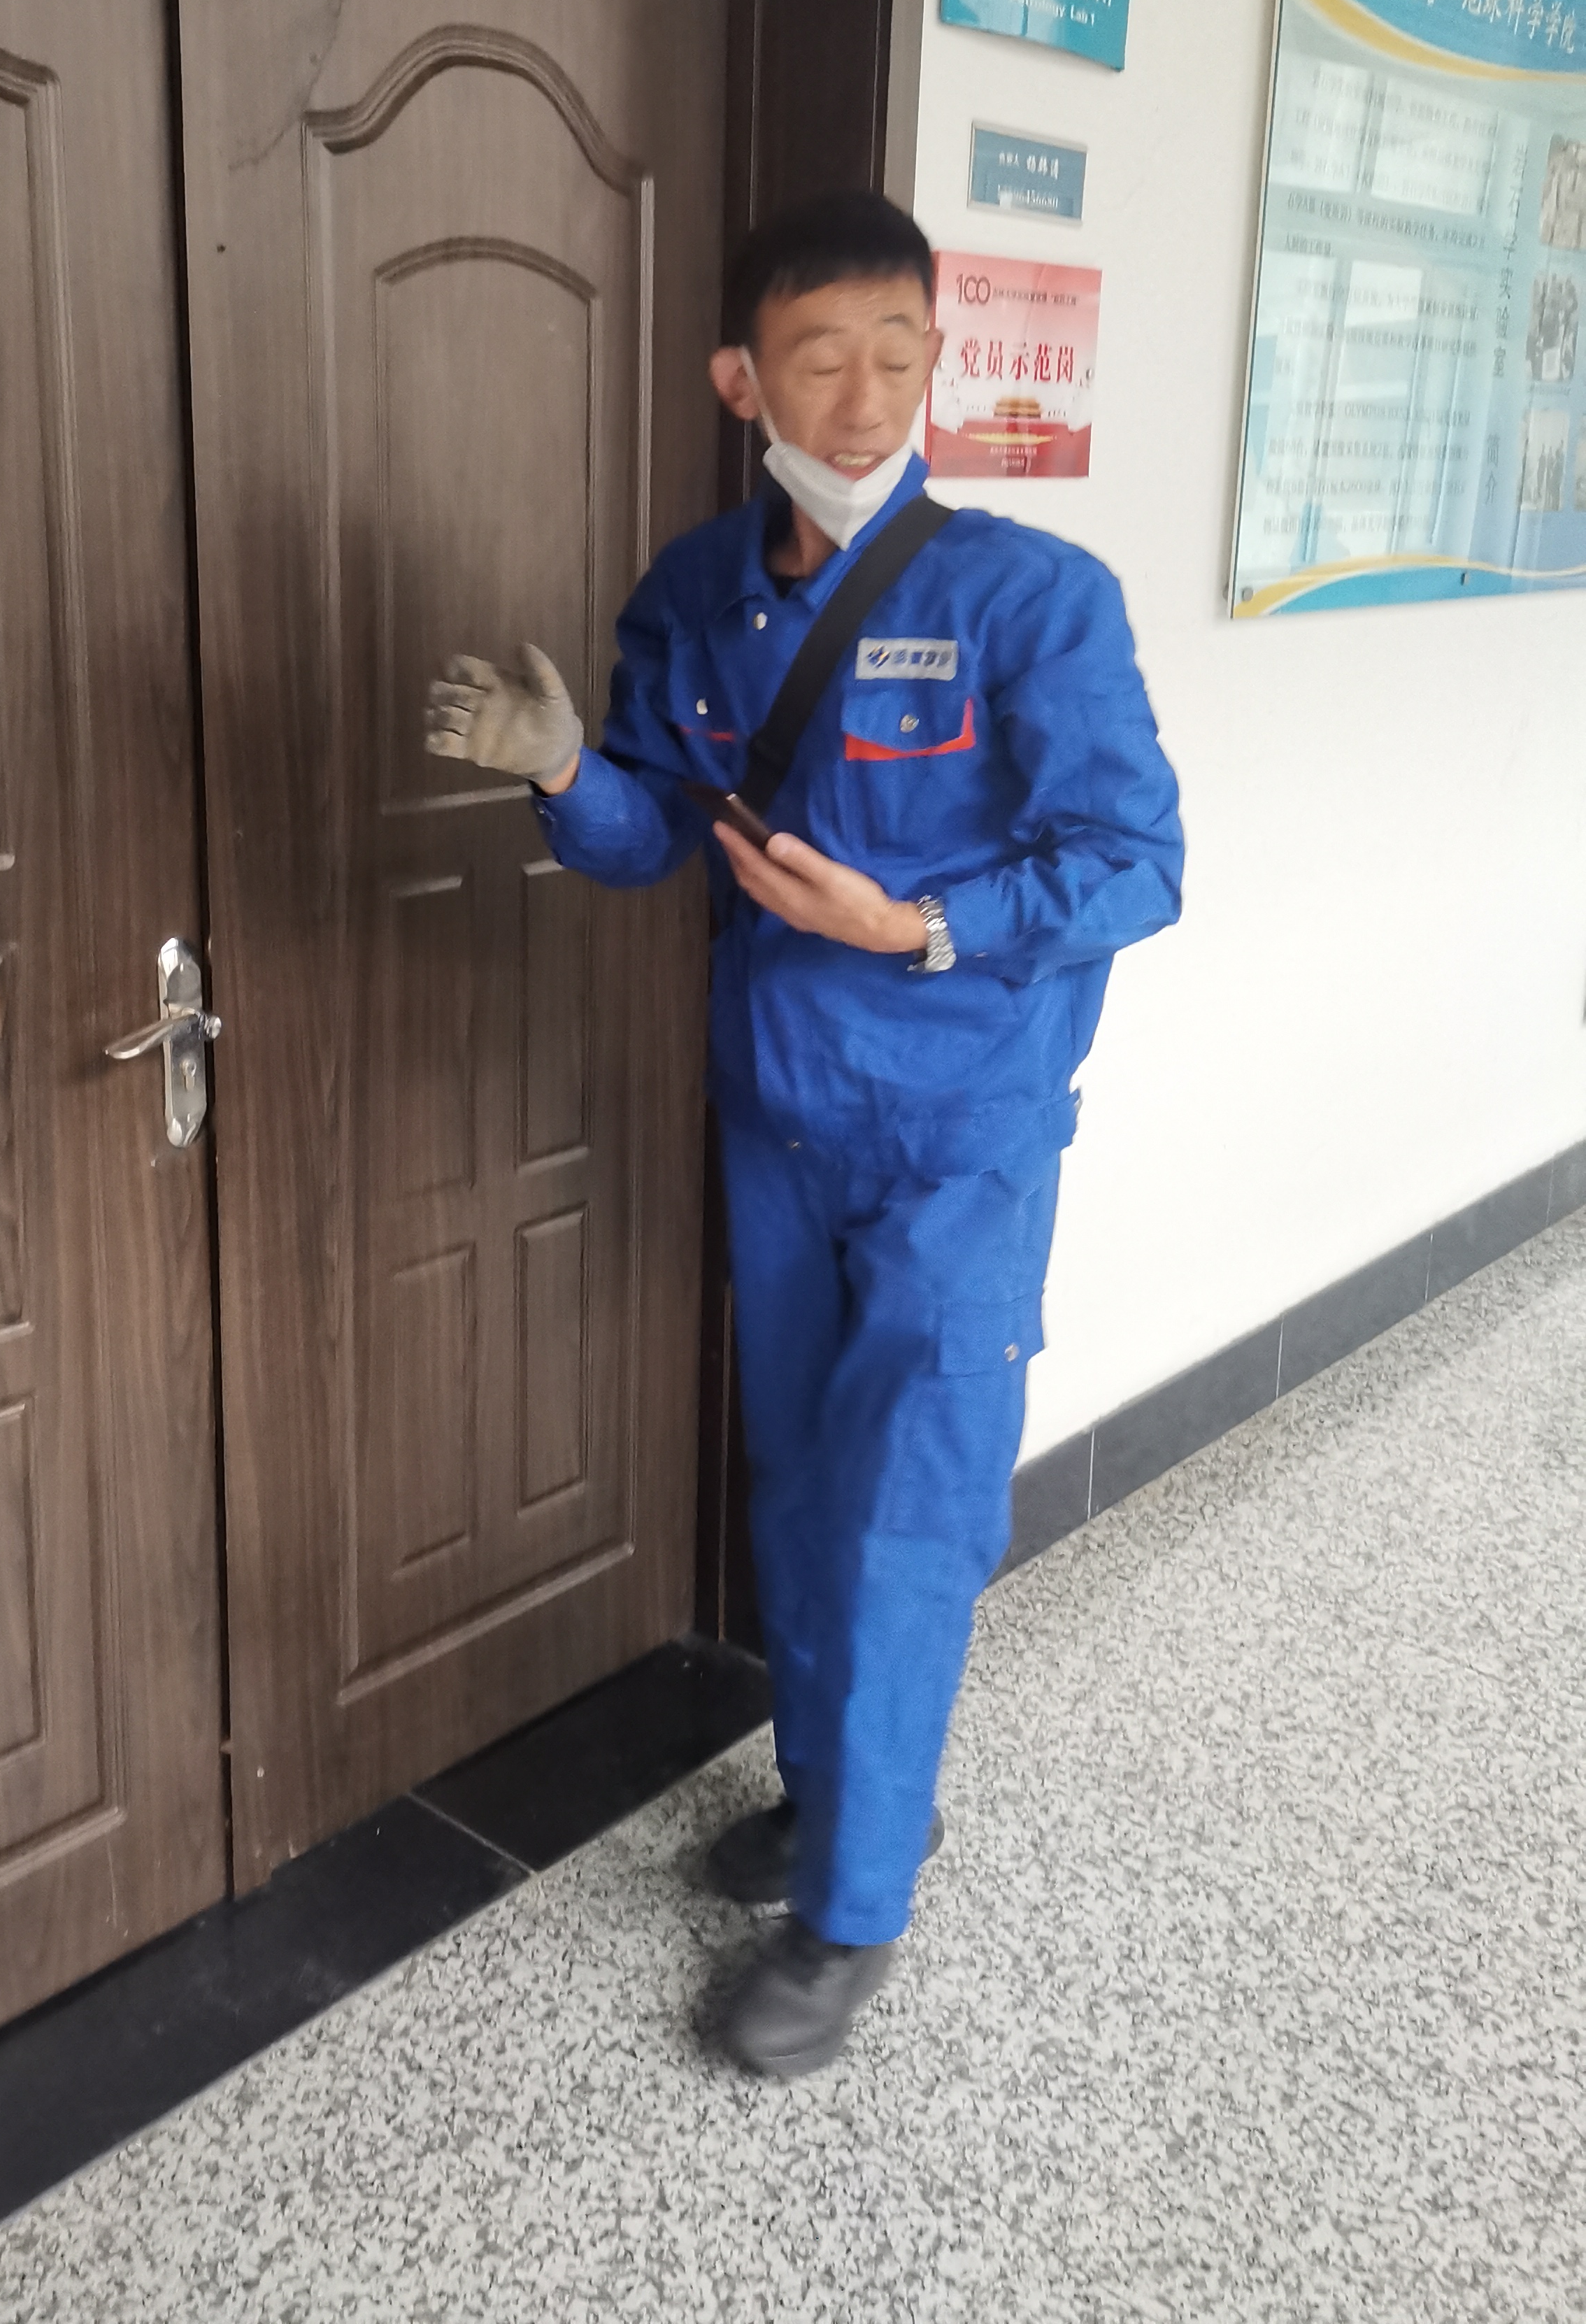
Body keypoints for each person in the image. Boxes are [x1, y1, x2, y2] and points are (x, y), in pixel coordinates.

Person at [423, 191, 1183, 2079]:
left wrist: (915, 925)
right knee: (798, 1489)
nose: (862, 400)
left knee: (905, 1507)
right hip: (780, 1119)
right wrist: (560, 771)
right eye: (820, 360)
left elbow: (1136, 866)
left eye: (898, 356)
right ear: (740, 380)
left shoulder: (1030, 600)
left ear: (940, 361)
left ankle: (854, 1908)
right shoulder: (697, 593)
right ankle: (837, 1786)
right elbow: (645, 841)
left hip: (960, 1140)